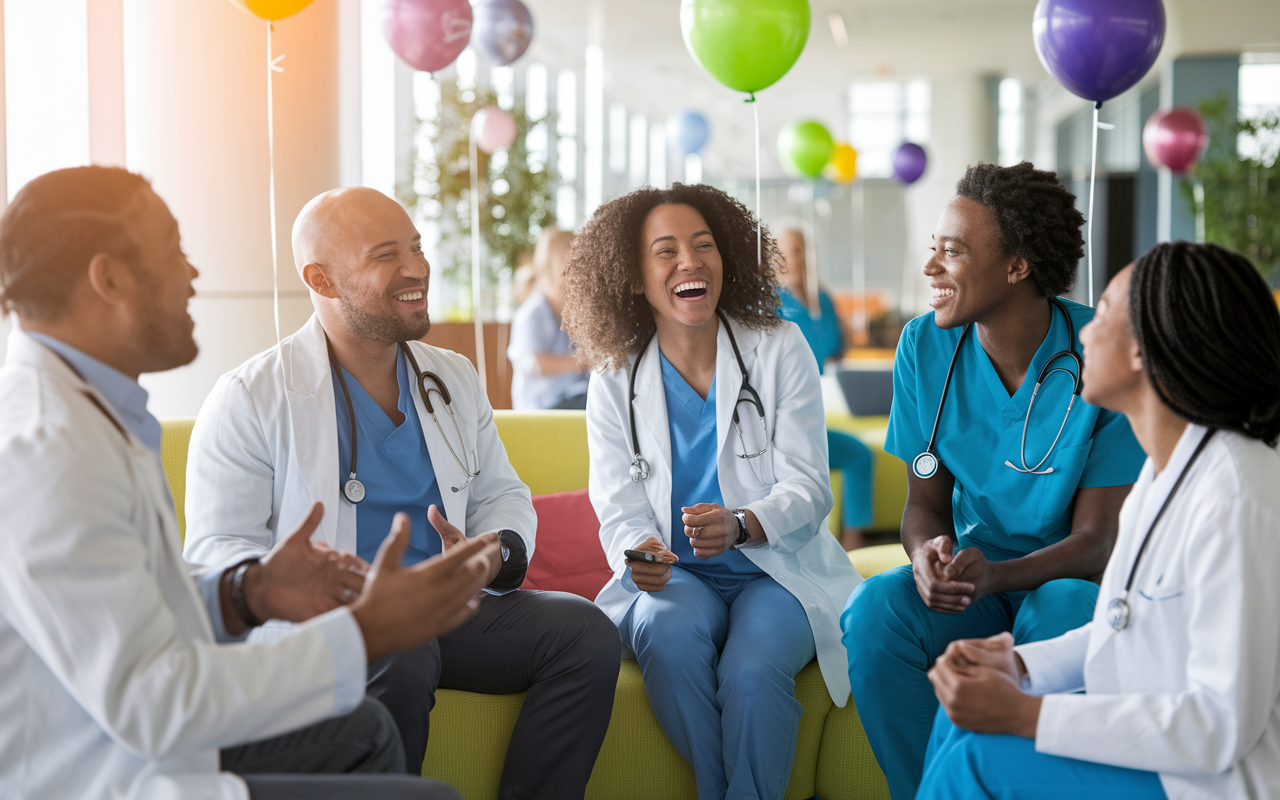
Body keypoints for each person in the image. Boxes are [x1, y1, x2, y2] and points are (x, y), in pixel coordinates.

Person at [0, 166, 500, 799]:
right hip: (105, 775)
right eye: (171, 252)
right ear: (109, 278)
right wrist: (361, 634)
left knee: (364, 727)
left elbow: (134, 607)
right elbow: (156, 702)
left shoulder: (92, 413)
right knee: (428, 796)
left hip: (136, 741)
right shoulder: (50, 450)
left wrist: (246, 591)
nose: (193, 275)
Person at [182, 186, 620, 799]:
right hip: (336, 622)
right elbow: (217, 551)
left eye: (415, 247)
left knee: (584, 631)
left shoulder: (452, 376)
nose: (416, 268)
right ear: (322, 279)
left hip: (446, 604)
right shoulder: (250, 397)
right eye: (386, 254)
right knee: (401, 653)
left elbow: (501, 492)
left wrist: (490, 550)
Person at [919, 242, 1280, 800]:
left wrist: (1026, 716)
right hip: (1157, 742)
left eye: (1105, 313)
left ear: (1145, 349)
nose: (1085, 333)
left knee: (976, 762)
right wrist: (1015, 664)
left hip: (1208, 780)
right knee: (960, 722)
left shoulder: (1236, 495)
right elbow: (1122, 626)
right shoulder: (1164, 476)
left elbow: (1219, 726)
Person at [840, 162, 1147, 800]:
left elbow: (1097, 541)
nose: (930, 268)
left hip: (1065, 579)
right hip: (972, 583)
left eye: (952, 251)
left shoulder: (1103, 350)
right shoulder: (923, 346)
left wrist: (997, 574)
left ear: (1017, 266)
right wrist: (928, 557)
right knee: (874, 612)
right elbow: (923, 503)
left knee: (1062, 610)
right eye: (934, 248)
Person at [561, 183, 863, 800]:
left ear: (727, 258)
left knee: (752, 672)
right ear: (635, 275)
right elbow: (616, 503)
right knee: (665, 635)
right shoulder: (616, 376)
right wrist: (639, 549)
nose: (690, 262)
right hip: (678, 577)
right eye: (665, 251)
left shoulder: (779, 347)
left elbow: (809, 487)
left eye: (703, 245)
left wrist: (744, 522)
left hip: (773, 571)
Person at [775, 224, 875, 550]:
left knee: (859, 456)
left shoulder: (822, 300)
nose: (796, 258)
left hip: (809, 419)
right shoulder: (772, 302)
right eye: (789, 250)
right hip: (777, 425)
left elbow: (837, 346)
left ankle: (852, 546)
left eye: (801, 249)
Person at [508, 227, 589, 409]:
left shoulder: (579, 311)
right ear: (550, 265)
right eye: (569, 258)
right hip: (545, 406)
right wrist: (584, 361)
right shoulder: (532, 314)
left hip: (576, 397)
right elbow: (534, 364)